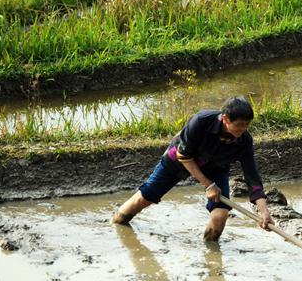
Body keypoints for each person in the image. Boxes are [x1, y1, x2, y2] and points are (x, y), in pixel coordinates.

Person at [111, 96, 273, 241]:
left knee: (220, 215)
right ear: (225, 119)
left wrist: (264, 212)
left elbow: (252, 177)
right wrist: (208, 185)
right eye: (239, 125)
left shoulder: (244, 141)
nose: (243, 129)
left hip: (216, 168)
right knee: (143, 199)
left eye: (247, 125)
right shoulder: (201, 121)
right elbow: (184, 155)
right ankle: (117, 225)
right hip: (178, 161)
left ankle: (211, 256)